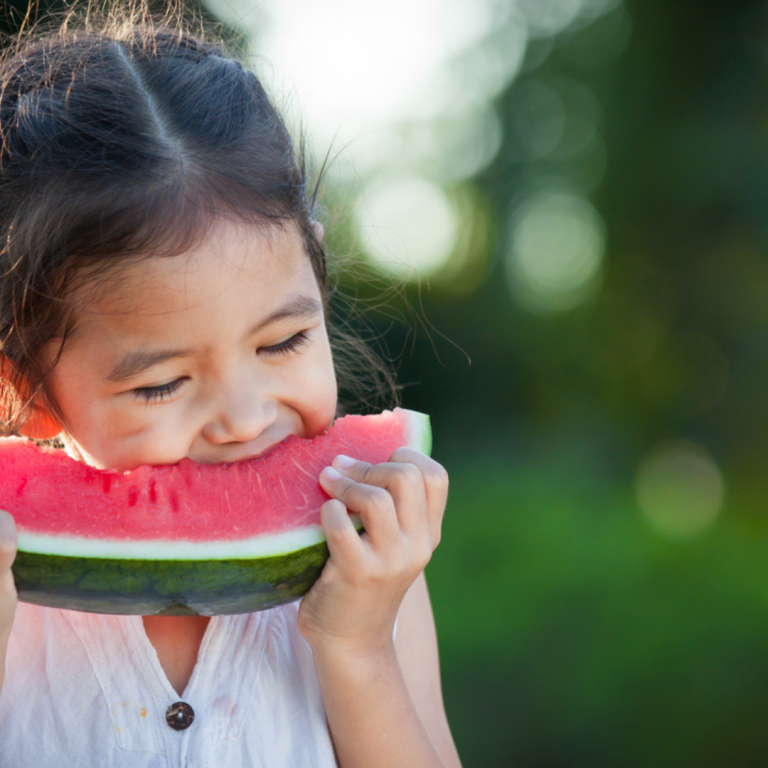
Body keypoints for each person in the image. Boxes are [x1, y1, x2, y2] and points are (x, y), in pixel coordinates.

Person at [0, 8, 461, 768]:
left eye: (283, 342)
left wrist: (357, 648)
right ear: (29, 387)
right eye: (162, 385)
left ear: (315, 272)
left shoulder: (374, 579)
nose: (245, 420)